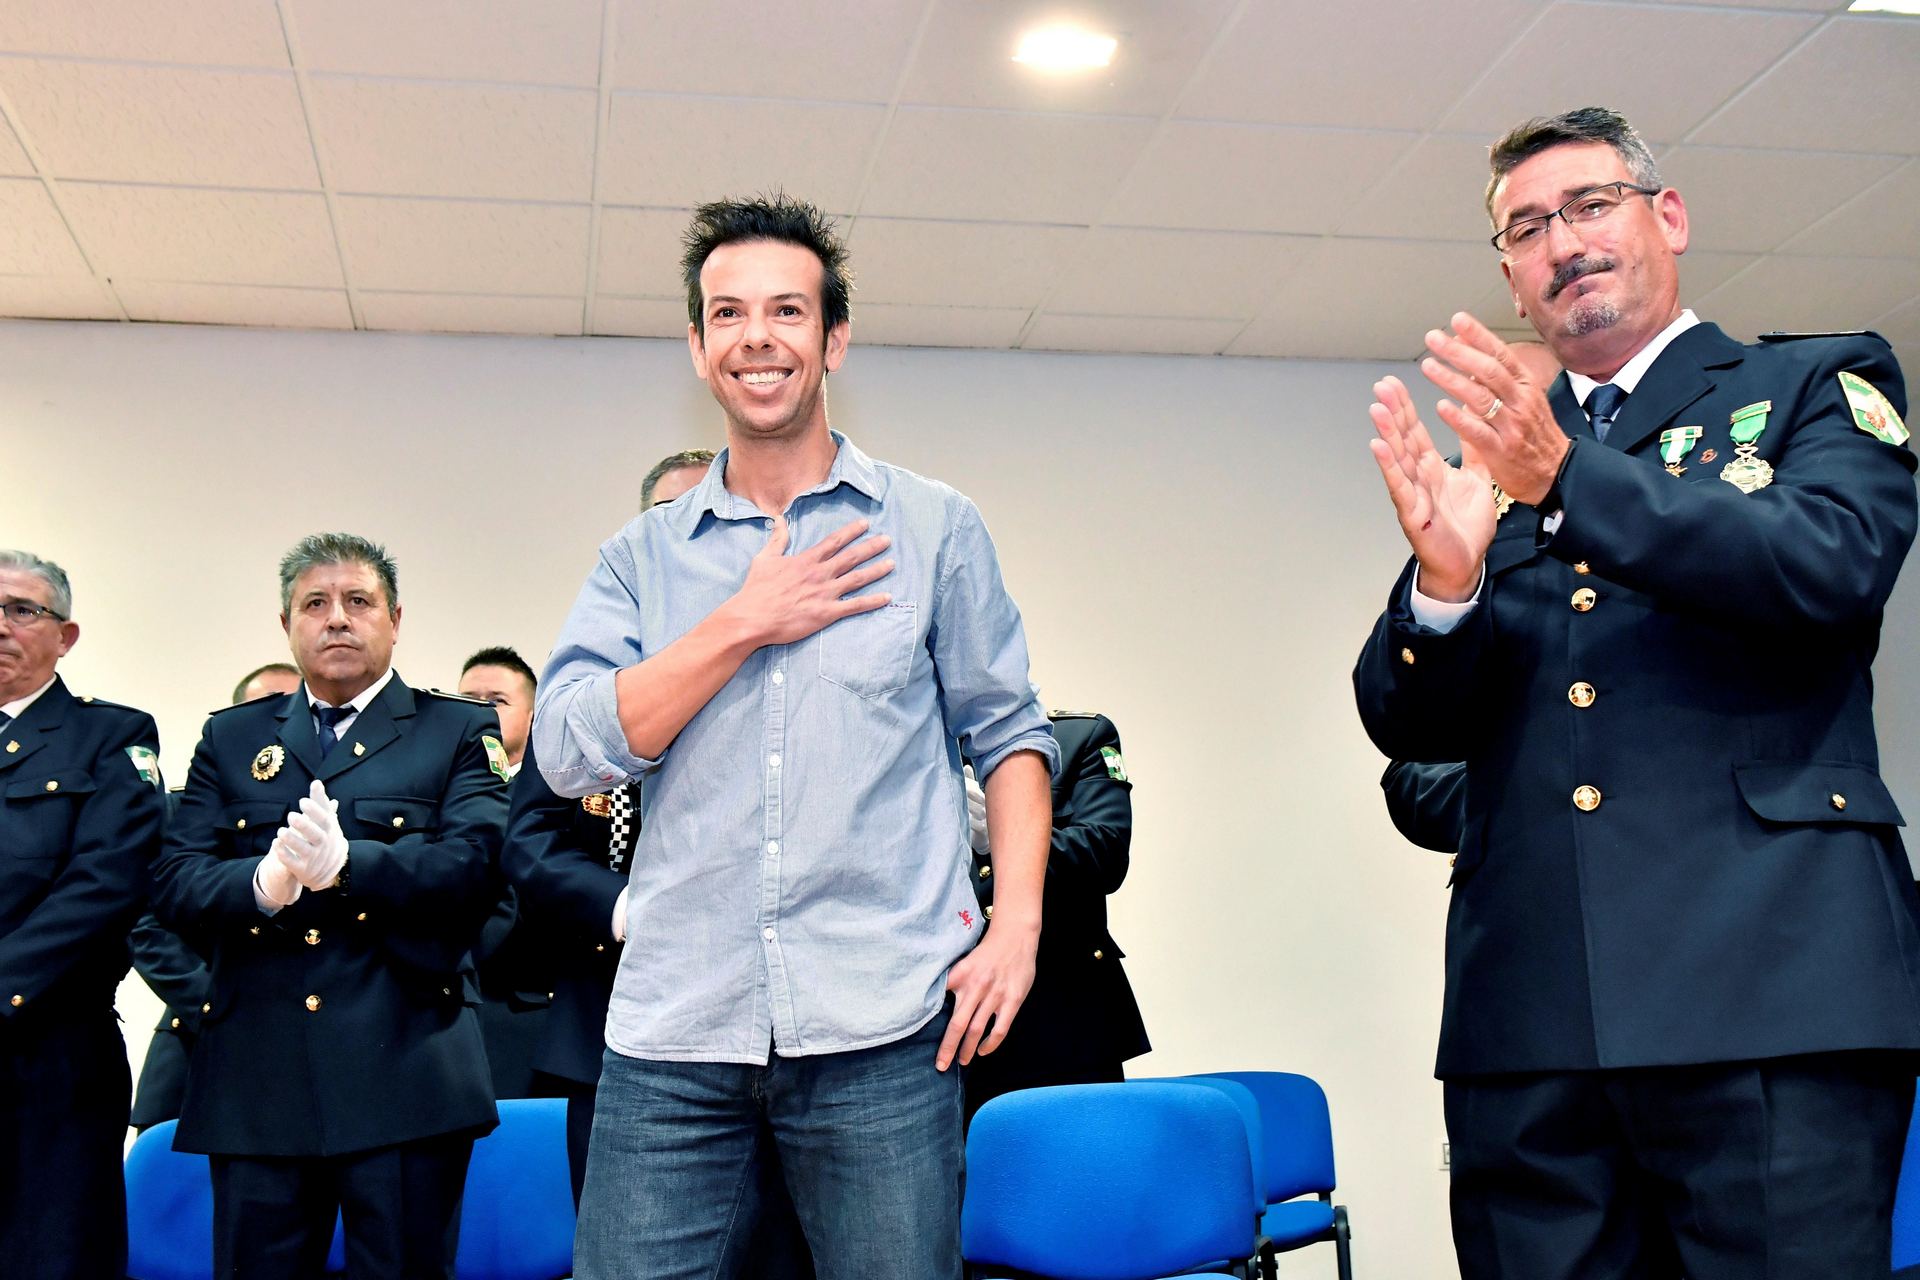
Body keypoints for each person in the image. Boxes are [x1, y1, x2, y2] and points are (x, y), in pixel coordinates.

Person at [1355, 105, 1920, 1278]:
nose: (1560, 241)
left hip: (1771, 993)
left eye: (1589, 205)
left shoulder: (1817, 378)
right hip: (1535, 1021)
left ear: (1668, 216)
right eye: (1525, 228)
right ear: (1511, 278)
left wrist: (1570, 484)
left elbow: (1830, 566)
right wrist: (1445, 586)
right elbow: (1406, 724)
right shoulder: (1499, 457)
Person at [534, 195, 1057, 1278]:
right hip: (676, 1030)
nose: (757, 336)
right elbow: (569, 749)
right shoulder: (641, 557)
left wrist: (1016, 928)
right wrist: (741, 620)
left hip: (884, 1027)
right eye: (728, 313)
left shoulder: (932, 528)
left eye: (786, 309)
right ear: (698, 345)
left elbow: (1008, 735)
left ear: (833, 339)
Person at [152, 533, 506, 1280]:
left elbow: (477, 866)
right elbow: (175, 879)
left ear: (395, 619)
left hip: (405, 1065)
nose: (337, 619)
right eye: (315, 603)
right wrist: (263, 885)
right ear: (287, 624)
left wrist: (352, 866)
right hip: (260, 1074)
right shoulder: (233, 734)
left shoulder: (456, 729)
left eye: (358, 602)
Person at [0, 550, 166, 1280]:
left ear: (65, 635)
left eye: (22, 610)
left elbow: (103, 887)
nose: (1, 625)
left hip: (51, 1055)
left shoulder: (113, 737)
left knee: (51, 1258)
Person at [129, 662, 304, 1131]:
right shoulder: (180, 811)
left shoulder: (324, 818)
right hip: (197, 1037)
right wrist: (222, 1008)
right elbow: (147, 931)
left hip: (312, 1044)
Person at [962, 709, 1149, 1119]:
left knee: (1082, 1173)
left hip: (1062, 1017)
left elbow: (1106, 853)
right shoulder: (916, 759)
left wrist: (1007, 838)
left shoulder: (1076, 736)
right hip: (948, 1025)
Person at [457, 645, 552, 1100]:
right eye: (467, 700)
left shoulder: (554, 796)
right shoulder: (428, 795)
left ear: (533, 718)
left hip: (516, 1005)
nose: (479, 711)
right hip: (433, 1004)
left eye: (496, 700)